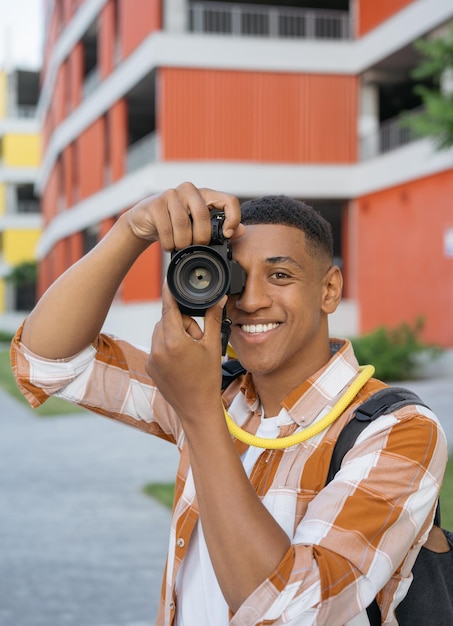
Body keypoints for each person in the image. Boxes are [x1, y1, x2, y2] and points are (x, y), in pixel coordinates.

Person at [11, 182, 448, 626]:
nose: (251, 301)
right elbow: (48, 361)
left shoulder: (398, 430)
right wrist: (132, 229)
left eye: (280, 275)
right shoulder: (218, 394)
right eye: (234, 278)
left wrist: (200, 414)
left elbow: (290, 610)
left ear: (329, 290)